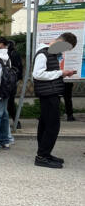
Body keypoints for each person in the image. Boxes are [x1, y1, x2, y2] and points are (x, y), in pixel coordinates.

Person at [32, 32, 77, 169]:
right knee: (52, 126)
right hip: (48, 94)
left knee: (45, 125)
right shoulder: (43, 53)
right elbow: (37, 74)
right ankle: (42, 156)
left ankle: (44, 153)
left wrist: (63, 73)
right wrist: (61, 73)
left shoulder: (49, 53)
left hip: (50, 93)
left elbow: (47, 73)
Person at [6, 39, 24, 128]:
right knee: (10, 102)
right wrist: (18, 78)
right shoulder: (15, 53)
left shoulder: (7, 54)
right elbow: (20, 67)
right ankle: (16, 121)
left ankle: (14, 121)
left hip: (7, 81)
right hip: (13, 81)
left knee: (8, 102)